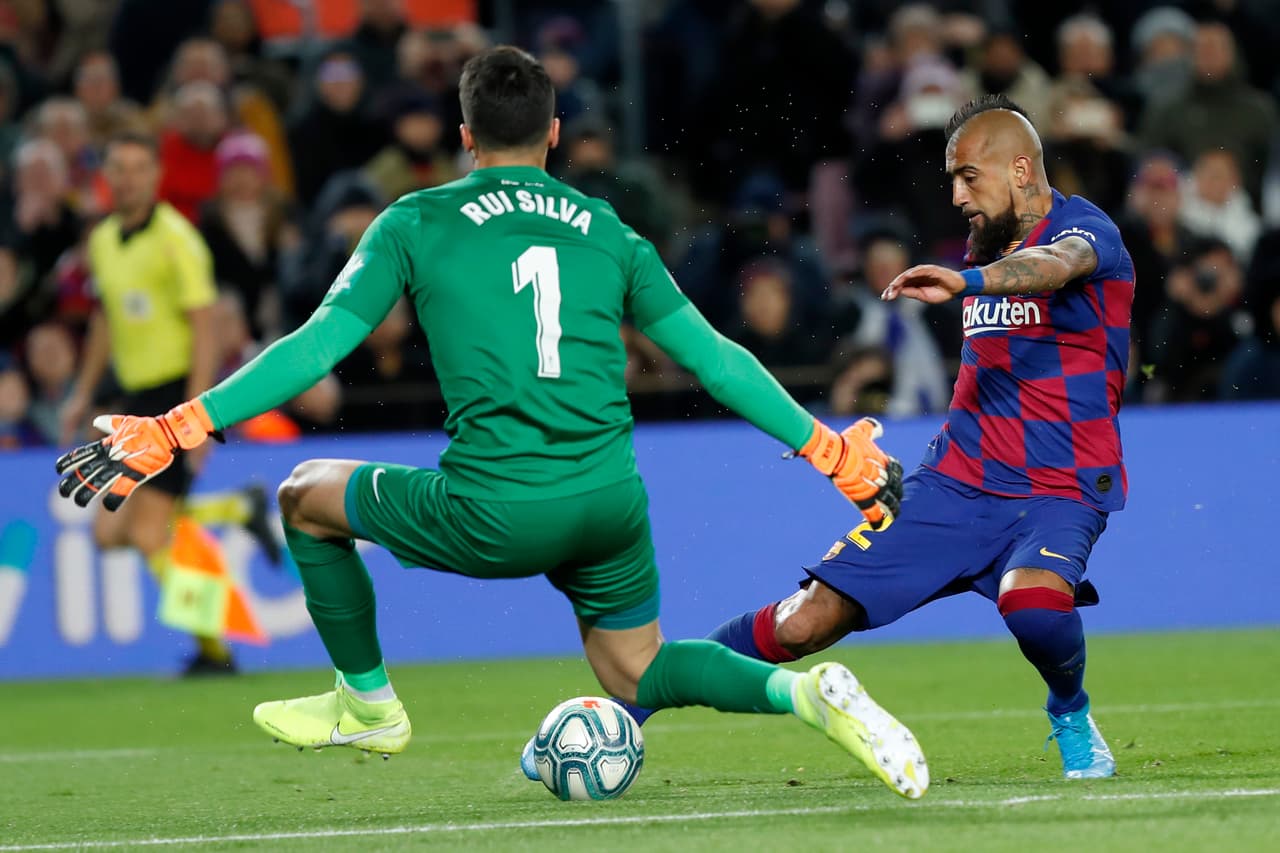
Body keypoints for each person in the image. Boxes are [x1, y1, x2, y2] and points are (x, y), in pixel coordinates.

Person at [54, 47, 928, 799]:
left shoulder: (415, 220)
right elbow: (715, 358)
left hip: (498, 508)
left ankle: (367, 704)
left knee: (301, 493)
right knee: (638, 668)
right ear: (554, 132)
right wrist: (828, 449)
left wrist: (180, 423)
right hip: (610, 502)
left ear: (464, 135)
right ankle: (804, 695)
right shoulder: (609, 230)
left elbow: (318, 345)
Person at [631, 95, 1133, 782]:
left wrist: (968, 280)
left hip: (1060, 488)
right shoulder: (985, 243)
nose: (956, 195)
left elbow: (1056, 265)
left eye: (968, 177)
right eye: (951, 179)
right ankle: (634, 700)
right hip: (956, 483)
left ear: (1021, 169)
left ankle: (1070, 711)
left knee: (1034, 605)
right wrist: (972, 271)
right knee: (804, 622)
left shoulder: (1087, 233)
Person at [58, 132, 273, 673]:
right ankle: (234, 508)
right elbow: (106, 318)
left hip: (174, 394)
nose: (127, 178)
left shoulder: (178, 238)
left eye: (137, 168)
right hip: (134, 395)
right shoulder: (103, 240)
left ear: (155, 176)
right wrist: (83, 391)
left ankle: (215, 653)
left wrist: (197, 412)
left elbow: (206, 325)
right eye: (118, 168)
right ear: (106, 175)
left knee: (150, 531)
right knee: (110, 534)